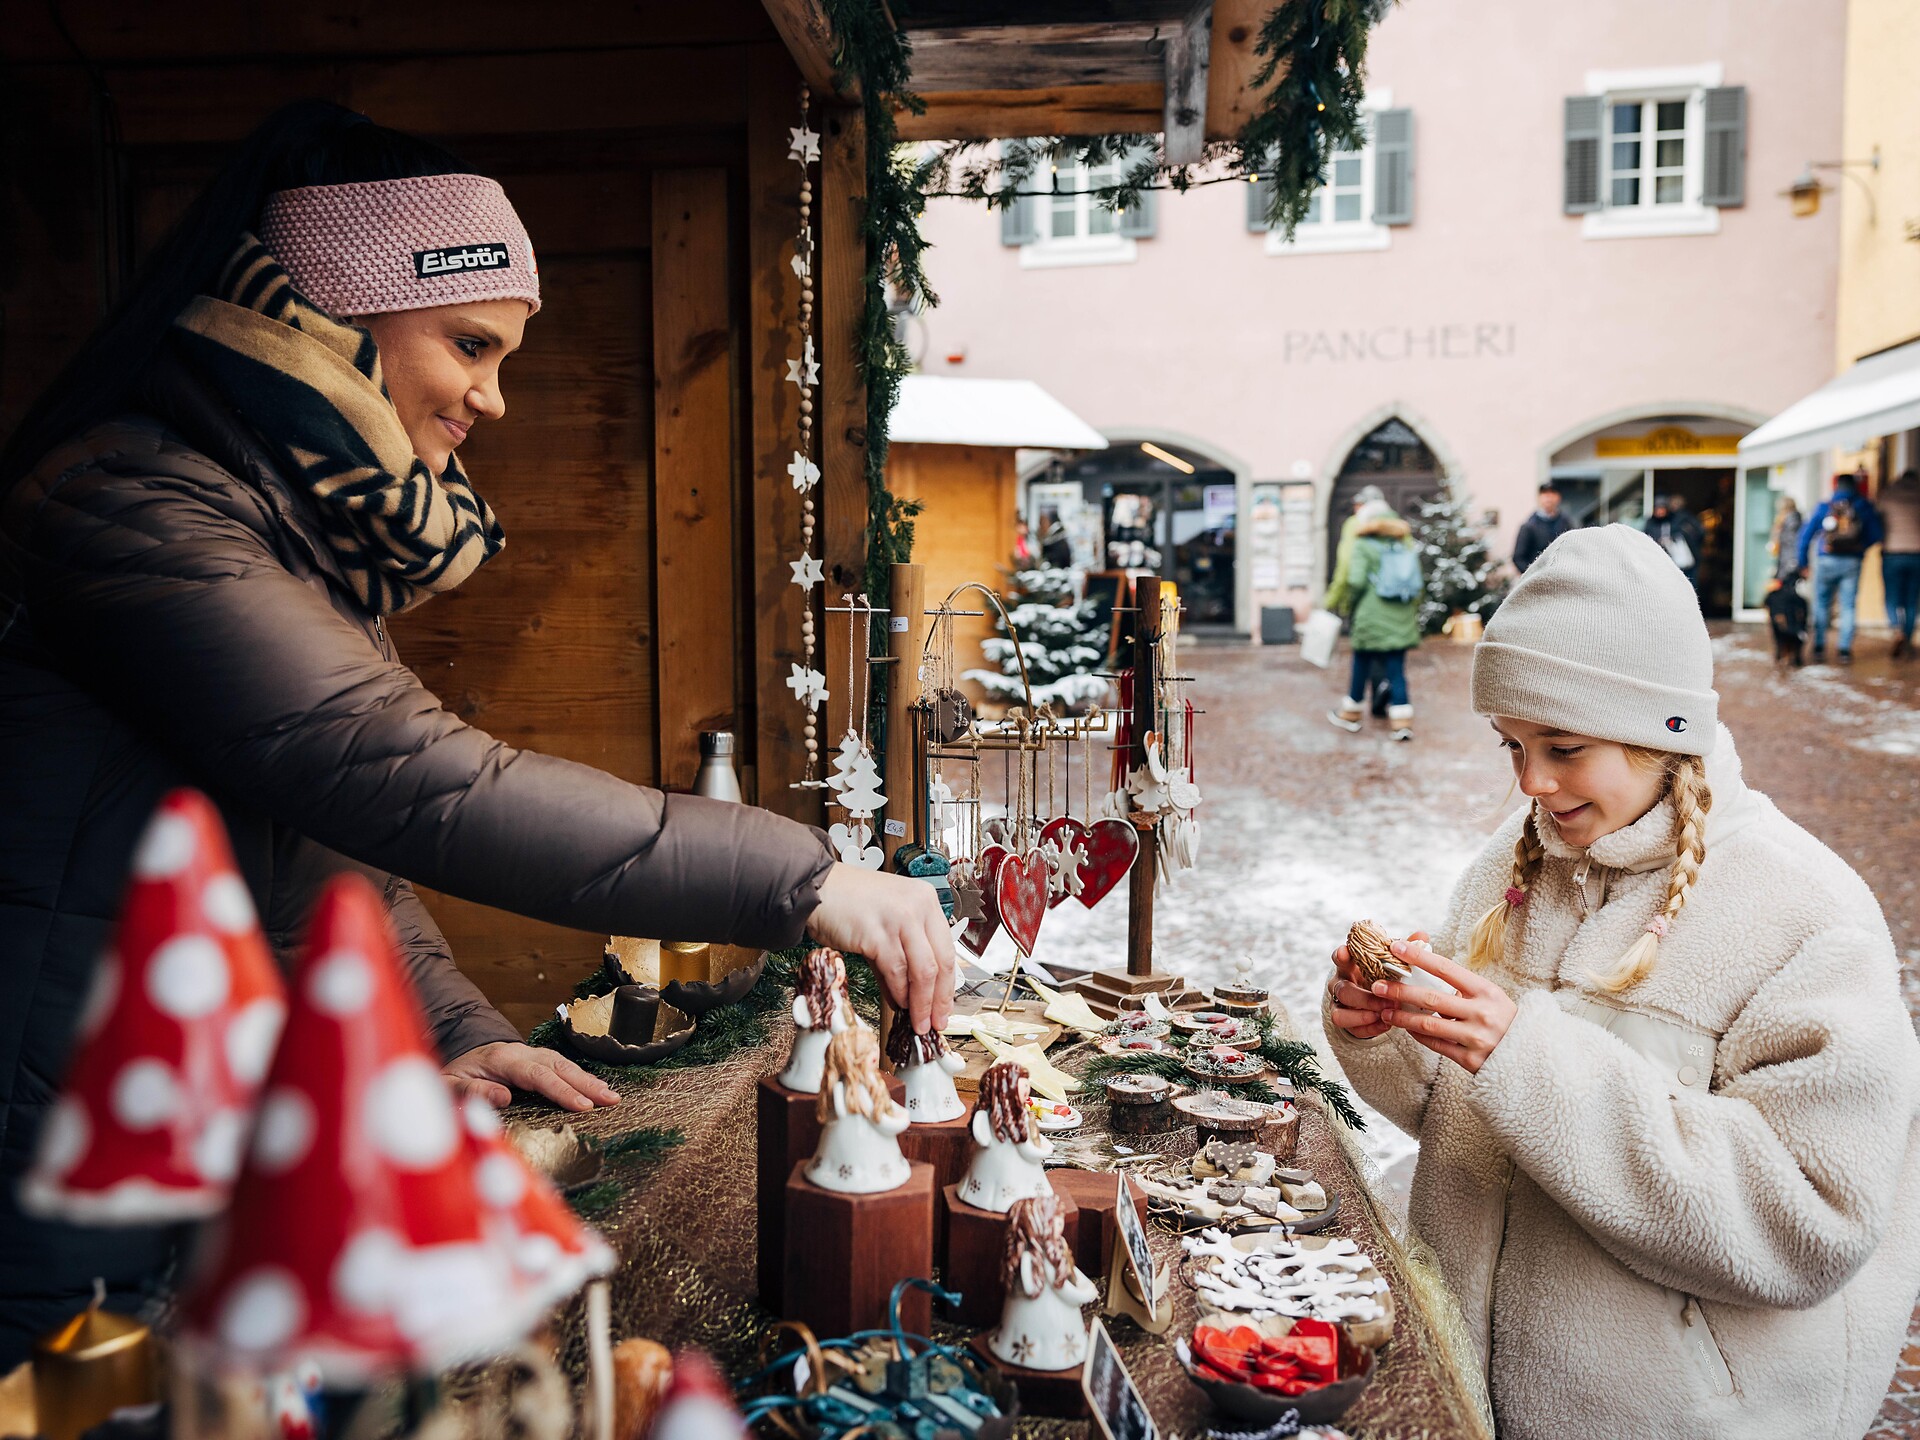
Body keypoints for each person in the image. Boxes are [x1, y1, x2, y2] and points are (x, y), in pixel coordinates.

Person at [0, 102, 952, 1361]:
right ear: (335, 311)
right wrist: (806, 877)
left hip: (194, 1132)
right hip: (64, 1160)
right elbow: (409, 780)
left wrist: (455, 1030)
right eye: (470, 344)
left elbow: (330, 845)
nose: (493, 400)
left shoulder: (285, 528)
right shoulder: (135, 504)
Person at [1324, 525, 1920, 1438]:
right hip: (1466, 1394)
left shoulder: (1808, 916)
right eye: (1510, 745)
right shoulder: (1510, 869)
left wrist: (1523, 1055)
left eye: (1562, 747)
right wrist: (1394, 1033)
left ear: (1661, 734)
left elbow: (1809, 1225)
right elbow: (1463, 1109)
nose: (1531, 782)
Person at [1323, 499, 1422, 742]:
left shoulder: (1363, 545)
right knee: (1396, 669)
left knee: (1361, 662)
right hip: (1401, 613)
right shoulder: (1403, 543)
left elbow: (1355, 581)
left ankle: (1351, 713)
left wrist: (1346, 603)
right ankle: (1401, 723)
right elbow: (1417, 583)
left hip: (1371, 613)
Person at [1796, 470, 1884, 664]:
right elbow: (1876, 533)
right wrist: (1860, 548)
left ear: (1835, 486)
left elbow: (1805, 535)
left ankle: (1819, 646)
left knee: (1821, 603)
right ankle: (1844, 650)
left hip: (1826, 559)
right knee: (1848, 606)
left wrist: (1803, 562)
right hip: (1852, 562)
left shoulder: (1825, 506)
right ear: (1854, 486)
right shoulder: (1862, 505)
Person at [1328, 484, 1389, 713]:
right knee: (1386, 649)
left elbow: (1346, 567)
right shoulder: (1393, 525)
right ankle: (1381, 694)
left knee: (1365, 650)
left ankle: (1357, 702)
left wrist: (1334, 598)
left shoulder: (1354, 525)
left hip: (1364, 599)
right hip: (1391, 600)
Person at [1880, 468, 1920, 659]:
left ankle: (1897, 629)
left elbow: (1877, 521)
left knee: (1891, 597)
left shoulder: (1888, 495)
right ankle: (1909, 639)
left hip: (1892, 552)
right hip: (1916, 553)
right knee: (1912, 600)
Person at [1644, 493, 1705, 598]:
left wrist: (1676, 538)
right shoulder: (1651, 524)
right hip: (1660, 561)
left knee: (1688, 587)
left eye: (1662, 508)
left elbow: (1698, 533)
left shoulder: (1678, 520)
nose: (1660, 512)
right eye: (1658, 508)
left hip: (1683, 560)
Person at [1510, 481, 1571, 574]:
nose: (1548, 498)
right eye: (1545, 494)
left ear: (1559, 497)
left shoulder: (1566, 523)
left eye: (1552, 494)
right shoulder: (1529, 526)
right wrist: (1532, 575)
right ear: (1539, 497)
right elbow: (1518, 557)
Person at [1768, 492, 1805, 585]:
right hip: (1787, 562)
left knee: (1787, 590)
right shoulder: (1787, 522)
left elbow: (1791, 543)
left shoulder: (1792, 522)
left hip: (1789, 563)